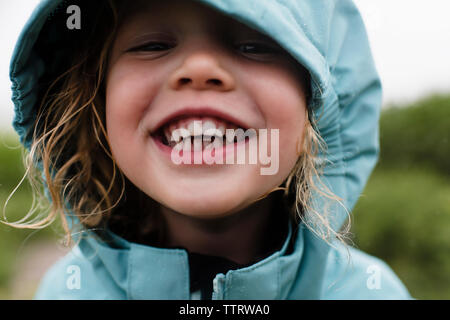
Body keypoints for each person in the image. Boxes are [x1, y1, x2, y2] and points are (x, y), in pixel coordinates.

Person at [7, 0, 411, 299]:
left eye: (255, 45)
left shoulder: (373, 293)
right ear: (96, 103)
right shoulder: (66, 292)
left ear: (318, 111)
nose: (199, 67)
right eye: (152, 45)